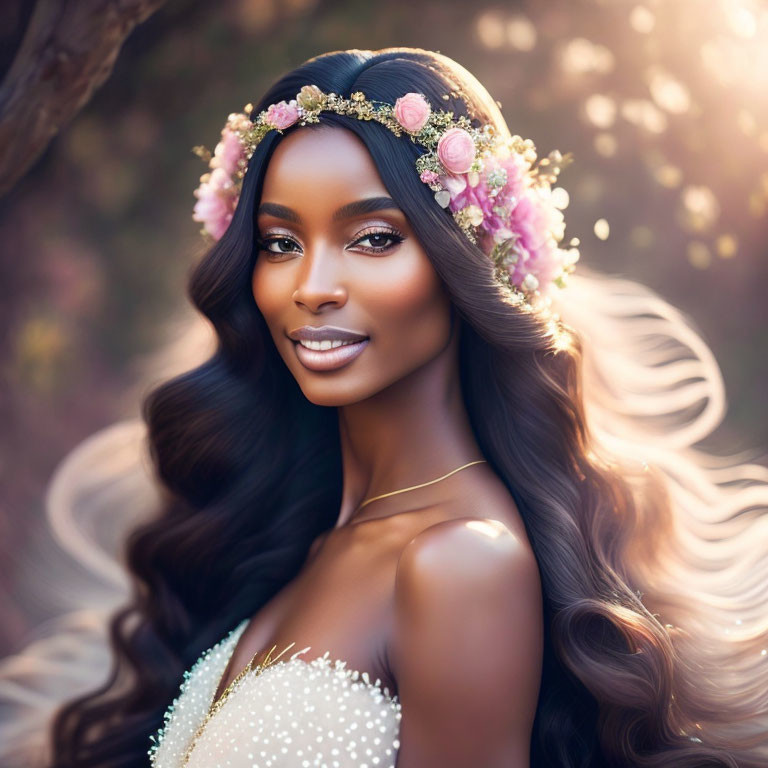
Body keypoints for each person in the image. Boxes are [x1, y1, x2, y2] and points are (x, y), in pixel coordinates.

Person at [1, 46, 767, 768]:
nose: (312, 285)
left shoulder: (462, 565)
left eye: (371, 238)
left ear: (461, 260)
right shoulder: (309, 540)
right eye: (278, 243)